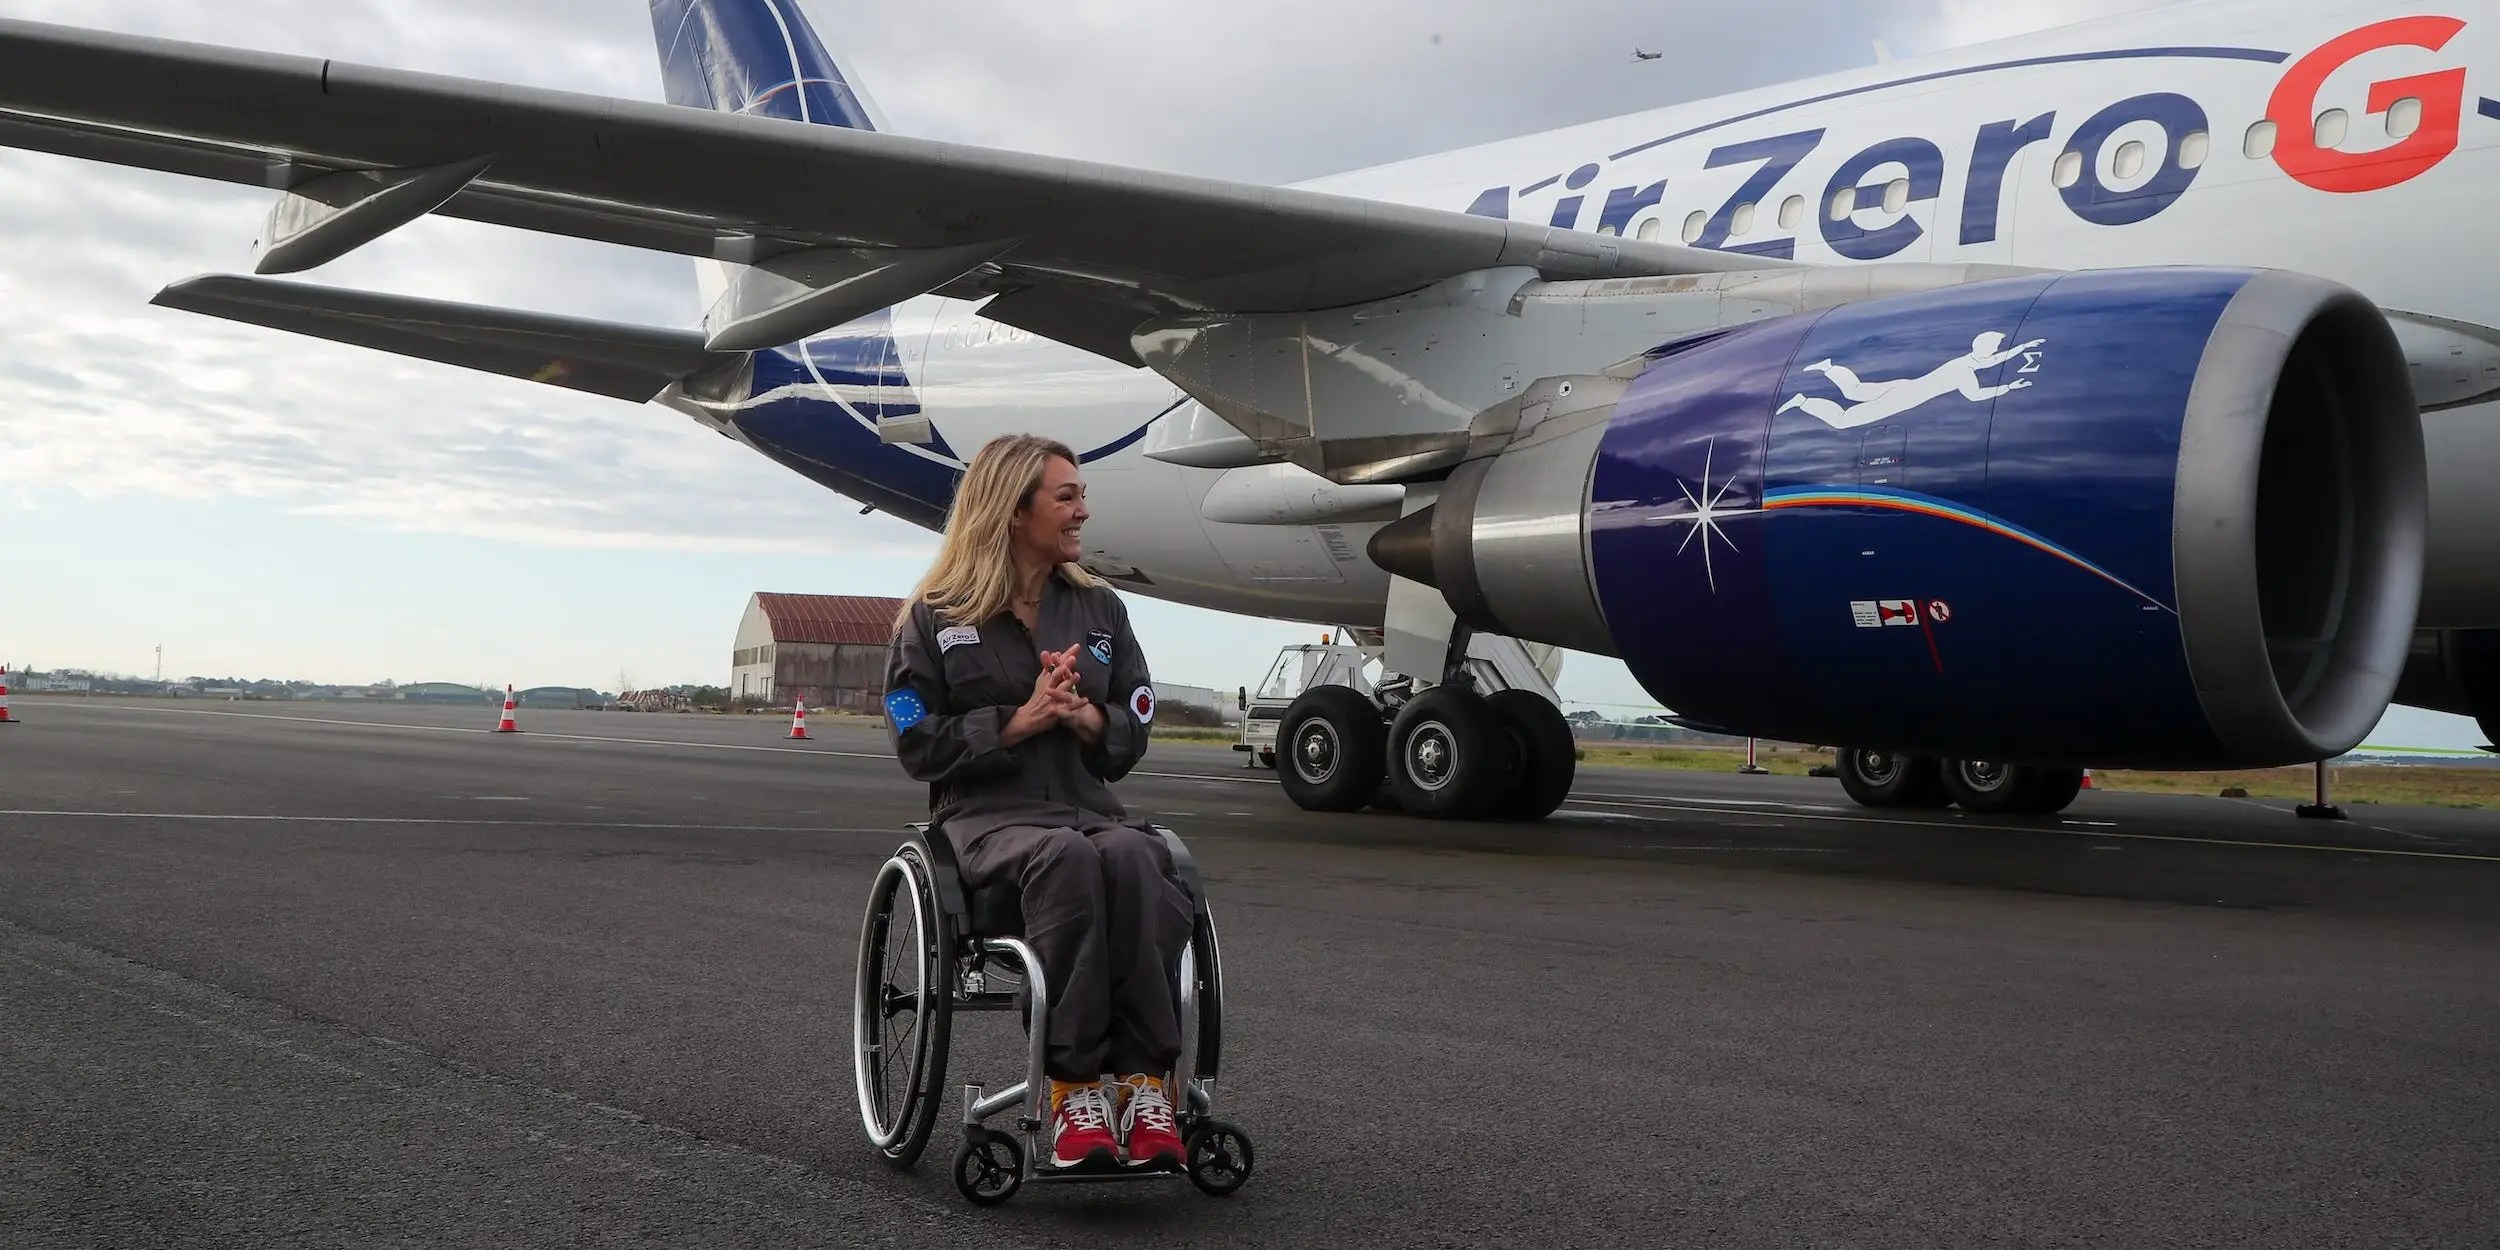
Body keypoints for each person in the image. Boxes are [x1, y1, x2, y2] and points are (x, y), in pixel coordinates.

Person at [882, 433, 1192, 1172]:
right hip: (988, 822)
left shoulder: (1099, 610)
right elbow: (912, 735)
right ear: (1015, 510)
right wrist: (1018, 721)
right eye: (1067, 497)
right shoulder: (933, 615)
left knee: (1137, 855)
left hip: (1086, 807)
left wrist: (1084, 715)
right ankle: (1074, 1086)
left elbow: (1136, 718)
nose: (1084, 510)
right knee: (1068, 859)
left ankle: (1149, 1085)